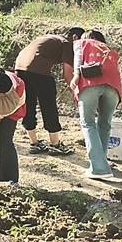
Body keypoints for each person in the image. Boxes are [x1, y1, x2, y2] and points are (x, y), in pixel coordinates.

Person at [14, 27, 84, 155]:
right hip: (38, 70)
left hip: (19, 68)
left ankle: (34, 143)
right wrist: (77, 92)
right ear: (75, 37)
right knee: (48, 106)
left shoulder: (50, 37)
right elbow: (68, 75)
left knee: (28, 105)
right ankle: (55, 145)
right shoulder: (68, 43)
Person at [70, 30, 122, 180]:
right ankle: (102, 162)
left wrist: (76, 75)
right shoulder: (110, 51)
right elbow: (118, 73)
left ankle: (99, 169)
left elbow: (78, 58)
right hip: (114, 88)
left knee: (88, 123)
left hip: (91, 83)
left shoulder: (82, 43)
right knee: (104, 124)